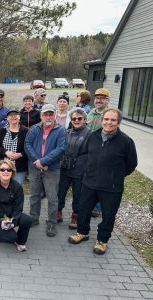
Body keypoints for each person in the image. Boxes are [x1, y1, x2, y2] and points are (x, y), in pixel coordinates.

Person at [69, 108, 137, 255]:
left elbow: (131, 165)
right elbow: (87, 154)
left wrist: (115, 176)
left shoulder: (126, 142)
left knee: (108, 215)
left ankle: (102, 240)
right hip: (89, 183)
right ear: (102, 120)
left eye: (113, 120)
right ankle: (83, 232)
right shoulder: (93, 136)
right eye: (106, 119)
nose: (109, 122)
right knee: (84, 209)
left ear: (118, 122)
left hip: (111, 188)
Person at [24, 103, 66, 237]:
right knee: (34, 195)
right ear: (41, 116)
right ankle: (34, 218)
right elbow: (27, 145)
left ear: (55, 115)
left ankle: (52, 222)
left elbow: (61, 149)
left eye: (51, 114)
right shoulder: (35, 129)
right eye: (45, 114)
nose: (48, 117)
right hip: (35, 167)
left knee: (52, 197)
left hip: (52, 169)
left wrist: (44, 161)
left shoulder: (61, 130)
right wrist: (38, 161)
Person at [0, 160, 32, 252]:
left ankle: (21, 242)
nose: (6, 172)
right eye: (2, 169)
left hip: (12, 215)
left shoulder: (17, 187)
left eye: (9, 170)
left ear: (12, 172)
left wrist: (13, 221)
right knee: (11, 238)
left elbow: (19, 207)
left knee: (27, 220)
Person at [56, 108, 91, 229]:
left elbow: (91, 153)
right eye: (74, 118)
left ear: (84, 120)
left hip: (80, 170)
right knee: (60, 192)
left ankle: (76, 216)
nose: (76, 120)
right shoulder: (67, 132)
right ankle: (58, 212)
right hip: (65, 168)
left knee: (78, 195)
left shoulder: (89, 134)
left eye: (79, 118)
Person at [86, 88, 111, 217]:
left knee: (100, 180)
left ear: (107, 100)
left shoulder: (110, 115)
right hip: (89, 151)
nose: (99, 100)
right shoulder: (90, 113)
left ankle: (97, 207)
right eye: (97, 98)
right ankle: (90, 204)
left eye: (102, 98)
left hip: (103, 152)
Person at [0, 109, 29, 185]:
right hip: (3, 167)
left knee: (17, 188)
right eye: (10, 115)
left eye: (15, 115)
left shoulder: (26, 131)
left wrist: (20, 154)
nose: (13, 117)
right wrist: (6, 152)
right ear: (7, 118)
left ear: (19, 117)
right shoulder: (2, 130)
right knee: (2, 188)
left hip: (19, 167)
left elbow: (29, 148)